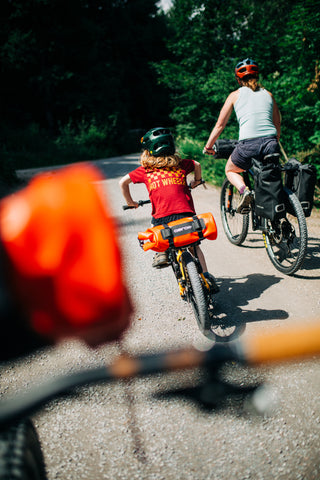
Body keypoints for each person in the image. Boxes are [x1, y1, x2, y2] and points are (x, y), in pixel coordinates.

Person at [119, 127, 219, 292]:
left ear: (148, 151)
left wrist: (131, 202)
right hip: (187, 216)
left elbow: (122, 182)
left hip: (162, 221)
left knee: (156, 227)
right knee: (194, 248)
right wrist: (196, 181)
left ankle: (162, 252)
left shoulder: (145, 170)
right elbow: (197, 164)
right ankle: (206, 276)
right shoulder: (181, 164)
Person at [203, 58, 281, 213]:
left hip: (248, 144)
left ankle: (244, 191)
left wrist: (208, 146)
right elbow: (277, 123)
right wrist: (274, 142)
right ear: (257, 76)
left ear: (238, 79)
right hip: (271, 143)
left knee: (230, 170)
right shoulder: (269, 94)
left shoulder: (234, 95)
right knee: (268, 177)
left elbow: (220, 125)